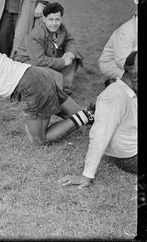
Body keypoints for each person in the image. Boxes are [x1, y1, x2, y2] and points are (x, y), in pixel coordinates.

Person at [59, 51, 137, 188]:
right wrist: (87, 175)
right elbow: (100, 135)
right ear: (134, 74)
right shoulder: (113, 97)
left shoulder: (130, 88)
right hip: (131, 157)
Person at [15, 2, 83, 95]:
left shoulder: (62, 27)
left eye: (57, 19)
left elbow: (70, 40)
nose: (54, 23)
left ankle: (65, 87)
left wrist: (70, 53)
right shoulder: (36, 34)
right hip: (27, 61)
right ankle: (55, 94)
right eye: (50, 19)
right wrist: (62, 62)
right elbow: (39, 60)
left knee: (74, 55)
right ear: (44, 19)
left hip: (47, 55)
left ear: (61, 19)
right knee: (57, 76)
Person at [98, 14, 137, 84]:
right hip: (112, 64)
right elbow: (122, 61)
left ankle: (115, 83)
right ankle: (115, 83)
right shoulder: (126, 31)